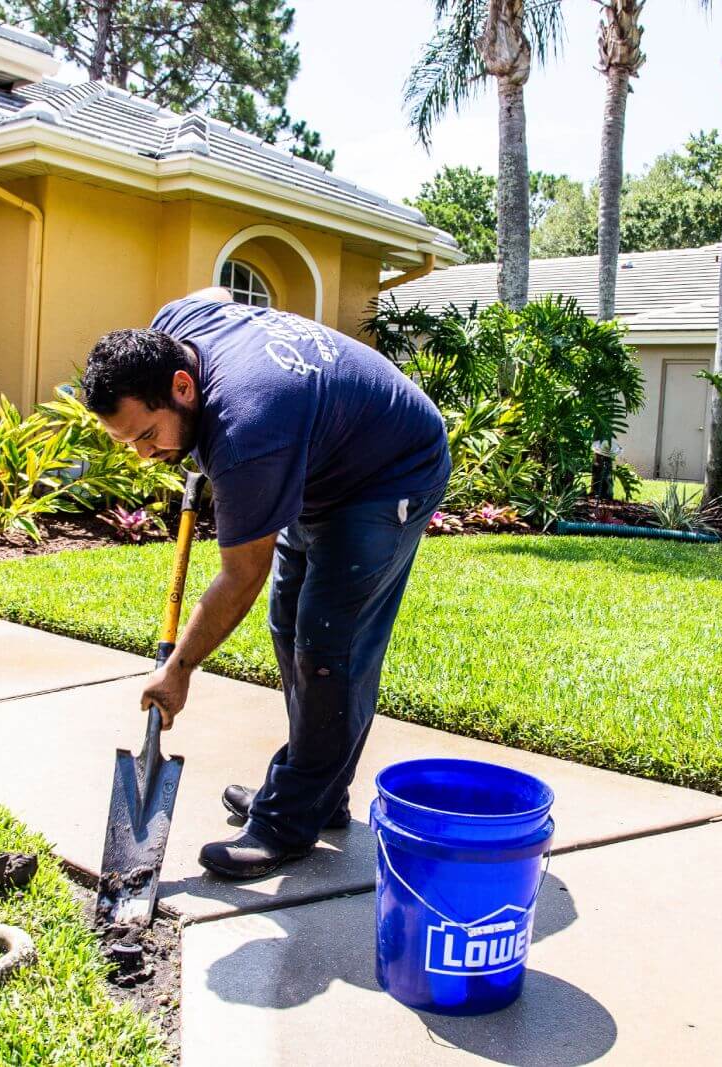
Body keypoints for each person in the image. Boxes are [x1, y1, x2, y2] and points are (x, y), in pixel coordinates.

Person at [80, 286, 450, 880]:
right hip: (316, 460)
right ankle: (318, 790)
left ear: (182, 386)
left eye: (148, 436)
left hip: (389, 472)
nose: (145, 455)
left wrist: (177, 669)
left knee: (329, 647)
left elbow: (240, 574)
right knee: (290, 625)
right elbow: (217, 291)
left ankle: (287, 822)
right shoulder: (177, 324)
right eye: (129, 443)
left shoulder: (248, 424)